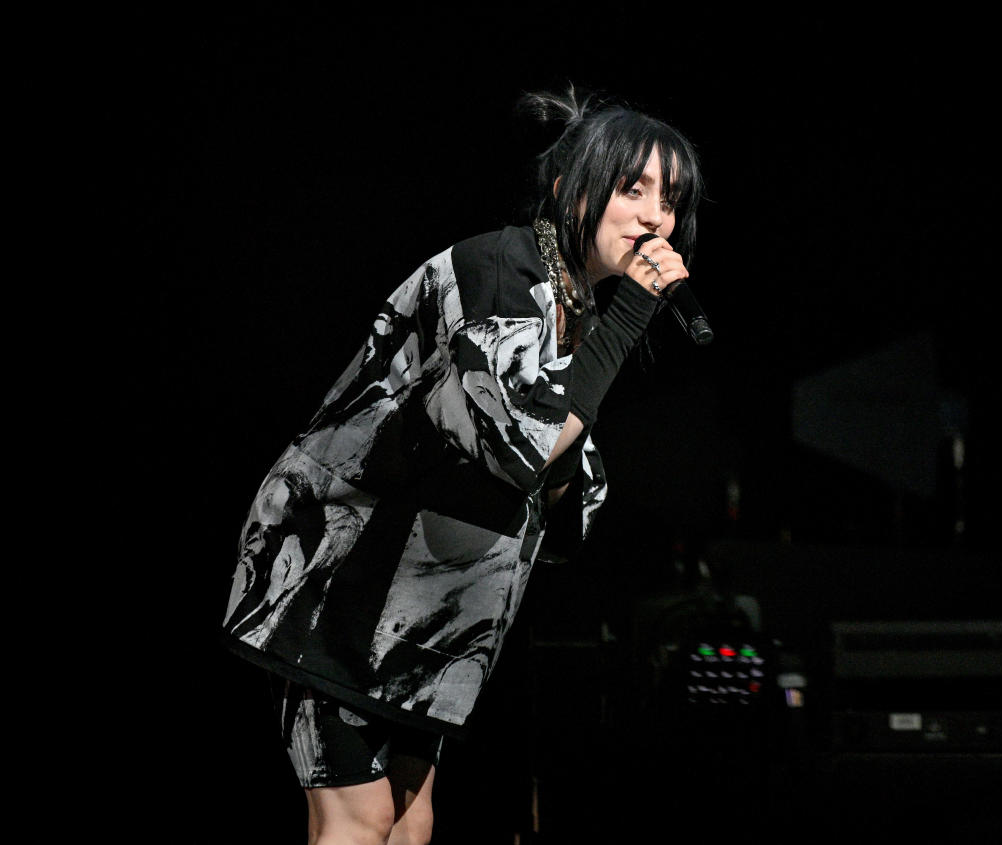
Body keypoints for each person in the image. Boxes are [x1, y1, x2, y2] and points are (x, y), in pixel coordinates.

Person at [221, 86, 704, 845]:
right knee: (360, 817)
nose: (656, 218)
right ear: (567, 185)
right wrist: (631, 318)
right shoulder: (500, 272)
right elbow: (520, 449)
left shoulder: (568, 305)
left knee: (413, 821)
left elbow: (564, 491)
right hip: (345, 580)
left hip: (433, 608)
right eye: (632, 188)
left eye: (670, 200)